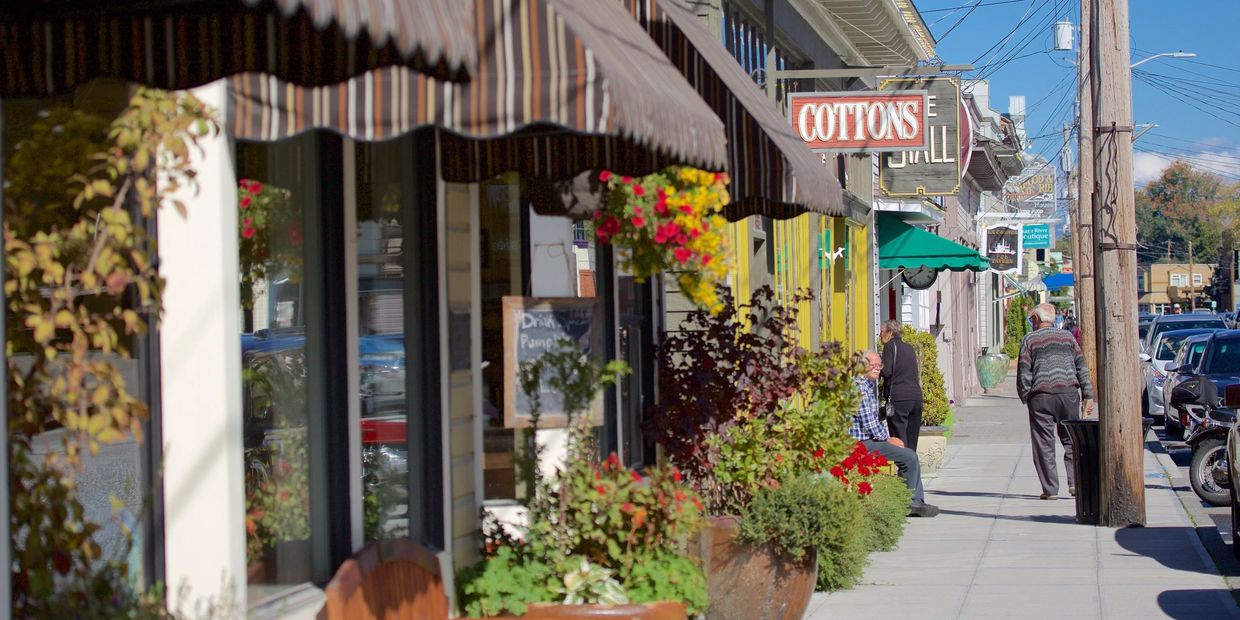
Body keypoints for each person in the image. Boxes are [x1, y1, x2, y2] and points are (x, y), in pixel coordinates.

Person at [1017, 303, 1095, 500]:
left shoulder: (1029, 339)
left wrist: (1026, 396)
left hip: (1041, 396)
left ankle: (1050, 489)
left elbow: (1024, 372)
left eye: (1031, 318)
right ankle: (1074, 483)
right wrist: (1088, 394)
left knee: (1044, 443)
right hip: (1068, 393)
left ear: (1036, 319)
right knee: (1071, 440)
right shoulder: (1068, 337)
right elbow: (1081, 366)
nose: (1031, 322)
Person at [853, 351, 939, 517]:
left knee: (909, 454)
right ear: (862, 366)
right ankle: (911, 502)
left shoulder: (869, 385)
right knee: (908, 456)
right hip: (861, 443)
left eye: (880, 365)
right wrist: (887, 439)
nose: (878, 369)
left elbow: (875, 419)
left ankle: (916, 501)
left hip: (870, 439)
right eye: (873, 365)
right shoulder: (859, 389)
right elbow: (869, 423)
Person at [879, 320, 923, 452]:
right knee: (911, 440)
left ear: (890, 333)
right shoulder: (909, 347)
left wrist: (876, 368)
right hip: (916, 398)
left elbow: (887, 372)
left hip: (899, 399)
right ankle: (912, 470)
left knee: (899, 440)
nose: (880, 336)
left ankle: (904, 470)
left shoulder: (890, 346)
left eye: (882, 332)